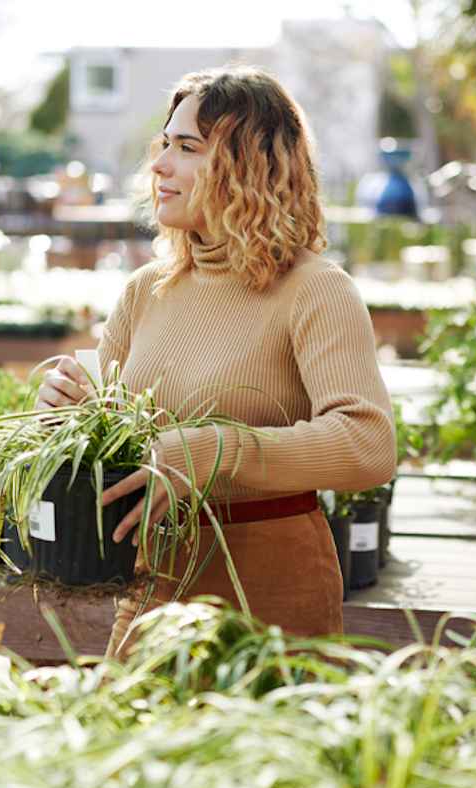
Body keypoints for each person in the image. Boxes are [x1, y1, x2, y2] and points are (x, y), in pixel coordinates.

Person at [35, 66, 396, 657]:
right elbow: (114, 447)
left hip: (269, 596)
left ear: (249, 165)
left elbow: (368, 445)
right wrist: (66, 417)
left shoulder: (315, 290)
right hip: (152, 589)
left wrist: (214, 450)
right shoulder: (145, 290)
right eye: (164, 145)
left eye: (186, 148)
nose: (159, 166)